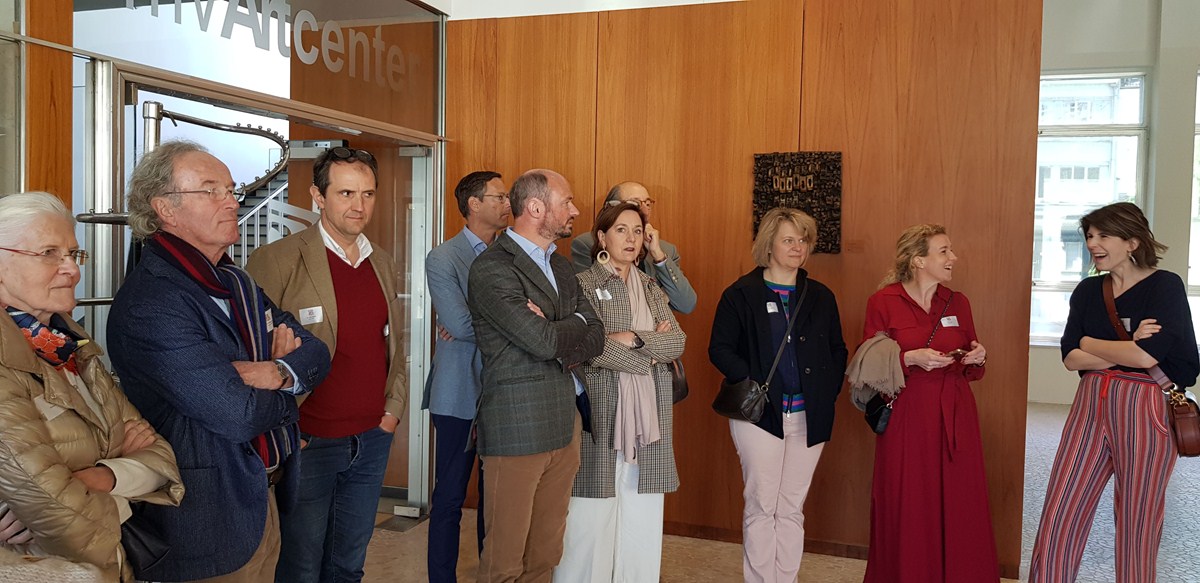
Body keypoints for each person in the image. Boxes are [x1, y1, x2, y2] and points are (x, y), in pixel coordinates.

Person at [107, 141, 331, 582]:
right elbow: (238, 414)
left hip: (263, 495)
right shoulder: (153, 301)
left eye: (230, 189)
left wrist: (275, 371)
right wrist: (287, 389)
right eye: (211, 190)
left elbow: (316, 352)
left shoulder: (235, 282)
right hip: (206, 520)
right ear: (165, 209)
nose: (231, 201)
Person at [0, 192, 183, 581]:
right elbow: (57, 516)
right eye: (49, 253)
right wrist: (123, 484)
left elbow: (161, 457)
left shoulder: (70, 345)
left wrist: (102, 477)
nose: (71, 269)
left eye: (72, 254)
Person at [245, 146, 406, 583]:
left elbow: (393, 343)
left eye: (368, 194)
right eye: (346, 193)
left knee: (348, 565)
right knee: (300, 566)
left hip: (371, 438)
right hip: (309, 440)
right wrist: (279, 429)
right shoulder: (278, 260)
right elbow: (250, 353)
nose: (359, 206)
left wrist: (392, 411)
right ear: (318, 196)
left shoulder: (381, 261)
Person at [1029, 202, 1198, 583]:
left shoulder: (1165, 286)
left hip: (1146, 406)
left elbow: (1145, 357)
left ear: (1132, 241)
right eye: (1090, 235)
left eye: (1104, 235)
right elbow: (1070, 357)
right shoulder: (1088, 290)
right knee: (1061, 508)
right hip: (1090, 404)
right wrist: (1124, 346)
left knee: (1139, 518)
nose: (1093, 243)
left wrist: (1092, 343)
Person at [467, 169, 605, 583]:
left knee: (545, 554)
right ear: (535, 208)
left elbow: (596, 334)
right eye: (567, 202)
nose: (575, 211)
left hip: (564, 423)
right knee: (504, 562)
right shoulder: (492, 268)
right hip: (517, 427)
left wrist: (562, 323)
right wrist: (573, 324)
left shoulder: (561, 266)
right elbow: (542, 342)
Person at [708, 207, 847, 583]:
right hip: (760, 417)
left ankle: (786, 578)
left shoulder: (821, 296)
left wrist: (827, 392)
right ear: (769, 244)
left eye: (803, 240)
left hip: (809, 416)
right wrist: (752, 381)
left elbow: (837, 350)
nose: (798, 247)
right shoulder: (741, 294)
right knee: (761, 504)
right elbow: (720, 349)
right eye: (789, 240)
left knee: (791, 507)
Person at [553, 202, 685, 582]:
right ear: (602, 237)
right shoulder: (582, 284)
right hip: (600, 411)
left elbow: (676, 342)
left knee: (643, 523)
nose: (631, 239)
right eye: (621, 230)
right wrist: (648, 352)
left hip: (649, 418)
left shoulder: (650, 286)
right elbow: (584, 347)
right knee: (589, 523)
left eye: (638, 231)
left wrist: (634, 340)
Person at [860, 224, 997, 583]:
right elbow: (868, 364)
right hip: (907, 413)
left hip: (956, 411)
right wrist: (910, 359)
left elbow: (974, 363)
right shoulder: (883, 302)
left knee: (960, 499)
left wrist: (978, 357)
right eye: (944, 251)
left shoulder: (958, 302)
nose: (954, 258)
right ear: (918, 260)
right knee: (907, 500)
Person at [421, 170, 510, 582]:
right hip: (457, 392)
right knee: (450, 496)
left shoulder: (512, 253)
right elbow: (457, 322)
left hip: (504, 391)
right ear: (474, 204)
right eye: (499, 197)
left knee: (497, 500)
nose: (508, 204)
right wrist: (514, 323)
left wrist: (469, 323)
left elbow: (465, 325)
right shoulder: (444, 257)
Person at [571, 182, 696, 314]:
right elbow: (594, 303)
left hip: (659, 327)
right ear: (611, 207)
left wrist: (658, 255)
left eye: (647, 204)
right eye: (635, 203)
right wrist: (658, 300)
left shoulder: (665, 250)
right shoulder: (588, 243)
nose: (644, 211)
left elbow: (686, 304)